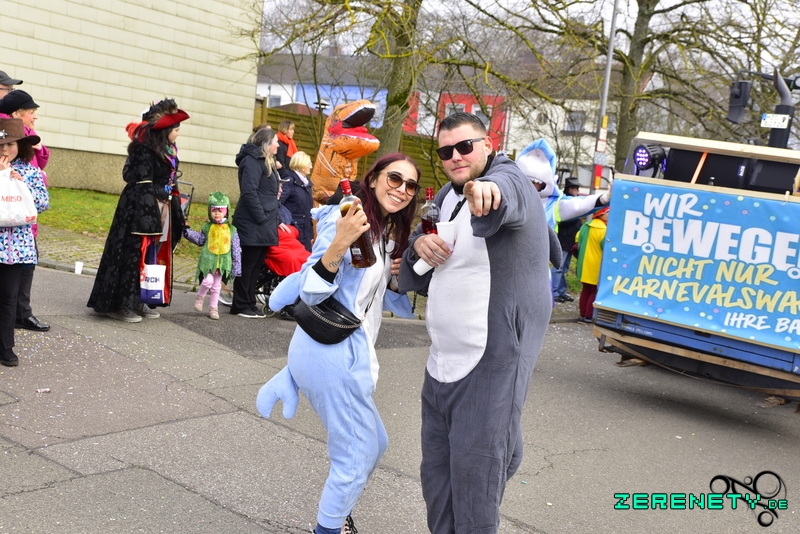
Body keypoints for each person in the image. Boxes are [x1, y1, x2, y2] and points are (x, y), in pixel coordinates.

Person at [397, 112, 559, 534]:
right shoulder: (446, 195)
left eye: (465, 146)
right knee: (437, 474)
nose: (455, 156)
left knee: (476, 477)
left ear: (489, 144)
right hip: (442, 362)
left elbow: (505, 191)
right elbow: (422, 243)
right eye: (445, 151)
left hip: (490, 360)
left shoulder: (510, 179)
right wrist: (420, 243)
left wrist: (488, 189)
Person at [255, 153, 419, 534]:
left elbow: (368, 294)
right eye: (395, 179)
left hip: (337, 347)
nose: (402, 190)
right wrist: (340, 242)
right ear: (373, 178)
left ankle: (338, 514)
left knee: (375, 444)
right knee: (355, 455)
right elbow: (312, 291)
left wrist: (397, 274)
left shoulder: (379, 230)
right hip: (332, 352)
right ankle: (329, 528)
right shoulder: (345, 219)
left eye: (411, 185)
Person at [87, 99, 189, 322]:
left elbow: (170, 181)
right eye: (176, 129)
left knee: (150, 256)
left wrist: (177, 212)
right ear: (166, 130)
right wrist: (155, 200)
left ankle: (140, 299)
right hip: (138, 209)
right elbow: (138, 179)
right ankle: (120, 304)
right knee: (132, 254)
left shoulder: (169, 150)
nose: (179, 133)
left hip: (159, 207)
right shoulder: (143, 148)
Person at [0, 89, 51, 332]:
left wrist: (20, 185)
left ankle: (18, 319)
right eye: (31, 111)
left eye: (11, 145)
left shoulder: (27, 168)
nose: (5, 150)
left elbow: (41, 201)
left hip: (20, 236)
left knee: (12, 290)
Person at [231, 126, 282, 318]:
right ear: (267, 143)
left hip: (264, 222)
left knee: (256, 265)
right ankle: (240, 304)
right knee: (248, 265)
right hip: (253, 221)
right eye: (276, 141)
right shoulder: (252, 161)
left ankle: (249, 302)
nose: (278, 145)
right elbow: (249, 192)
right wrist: (261, 216)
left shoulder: (266, 161)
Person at [183, 192, 242, 320]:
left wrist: (236, 266)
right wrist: (187, 232)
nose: (217, 213)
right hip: (209, 262)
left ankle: (213, 309)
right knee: (208, 281)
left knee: (216, 287)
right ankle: (200, 297)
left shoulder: (232, 230)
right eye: (214, 210)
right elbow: (200, 239)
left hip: (223, 263)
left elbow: (236, 248)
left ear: (226, 211)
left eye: (220, 211)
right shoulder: (207, 227)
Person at [575, 206, 609, 323]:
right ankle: (588, 316)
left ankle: (582, 315)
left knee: (585, 290)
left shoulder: (585, 226)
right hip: (596, 265)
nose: (609, 215)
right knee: (594, 291)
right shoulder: (604, 230)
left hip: (583, 264)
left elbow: (577, 239)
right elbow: (606, 247)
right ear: (601, 214)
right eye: (607, 212)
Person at [552, 177, 582, 303]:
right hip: (564, 239)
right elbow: (562, 220)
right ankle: (554, 292)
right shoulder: (565, 202)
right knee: (558, 267)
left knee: (563, 268)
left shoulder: (572, 201)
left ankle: (561, 291)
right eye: (576, 188)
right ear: (570, 189)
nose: (578, 191)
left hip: (569, 240)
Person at [279, 150, 314, 251]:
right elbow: (277, 203)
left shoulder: (307, 184)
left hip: (306, 232)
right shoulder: (289, 181)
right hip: (293, 230)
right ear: (302, 165)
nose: (311, 167)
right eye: (309, 164)